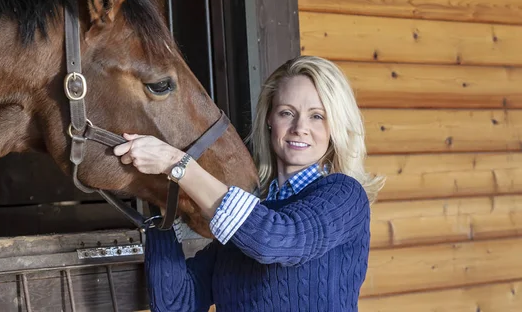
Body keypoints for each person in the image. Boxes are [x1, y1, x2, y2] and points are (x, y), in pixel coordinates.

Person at [113, 55, 385, 312]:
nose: (300, 127)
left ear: (335, 125)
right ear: (269, 119)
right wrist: (159, 197)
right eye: (287, 113)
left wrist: (178, 164)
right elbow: (176, 303)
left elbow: (274, 239)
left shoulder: (344, 195)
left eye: (317, 115)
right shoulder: (246, 214)